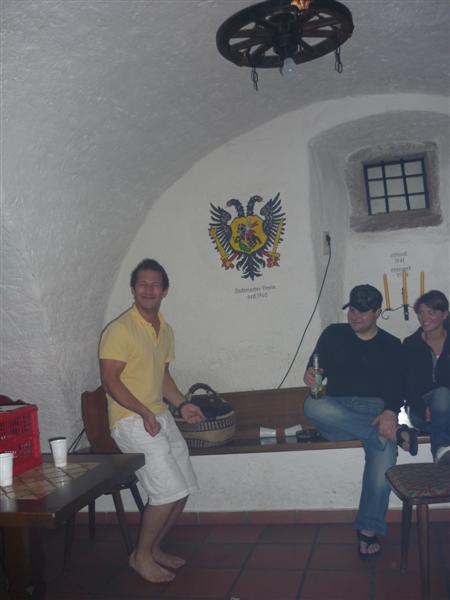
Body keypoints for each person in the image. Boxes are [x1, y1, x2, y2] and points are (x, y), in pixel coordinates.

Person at [99, 258, 205, 583]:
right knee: (168, 490)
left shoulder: (165, 330)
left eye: (155, 284)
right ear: (133, 290)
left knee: (184, 487)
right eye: (142, 284)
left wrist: (183, 404)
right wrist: (144, 412)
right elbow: (110, 381)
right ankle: (140, 557)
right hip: (130, 419)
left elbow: (163, 377)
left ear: (165, 291)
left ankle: (155, 548)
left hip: (158, 415)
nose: (148, 289)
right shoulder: (119, 330)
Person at [303, 284, 413, 559]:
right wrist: (311, 376)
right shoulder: (333, 334)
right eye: (352, 309)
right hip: (337, 413)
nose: (355, 316)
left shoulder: (391, 345)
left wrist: (390, 413)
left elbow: (398, 388)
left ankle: (368, 530)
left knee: (384, 455)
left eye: (363, 312)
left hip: (375, 411)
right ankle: (384, 433)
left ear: (377, 313)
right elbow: (315, 368)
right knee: (312, 405)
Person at [403, 290, 450, 464]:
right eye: (421, 312)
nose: (424, 317)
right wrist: (423, 407)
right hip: (420, 411)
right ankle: (440, 449)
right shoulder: (411, 345)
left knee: (443, 399)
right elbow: (407, 385)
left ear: (444, 315)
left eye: (431, 312)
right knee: (442, 394)